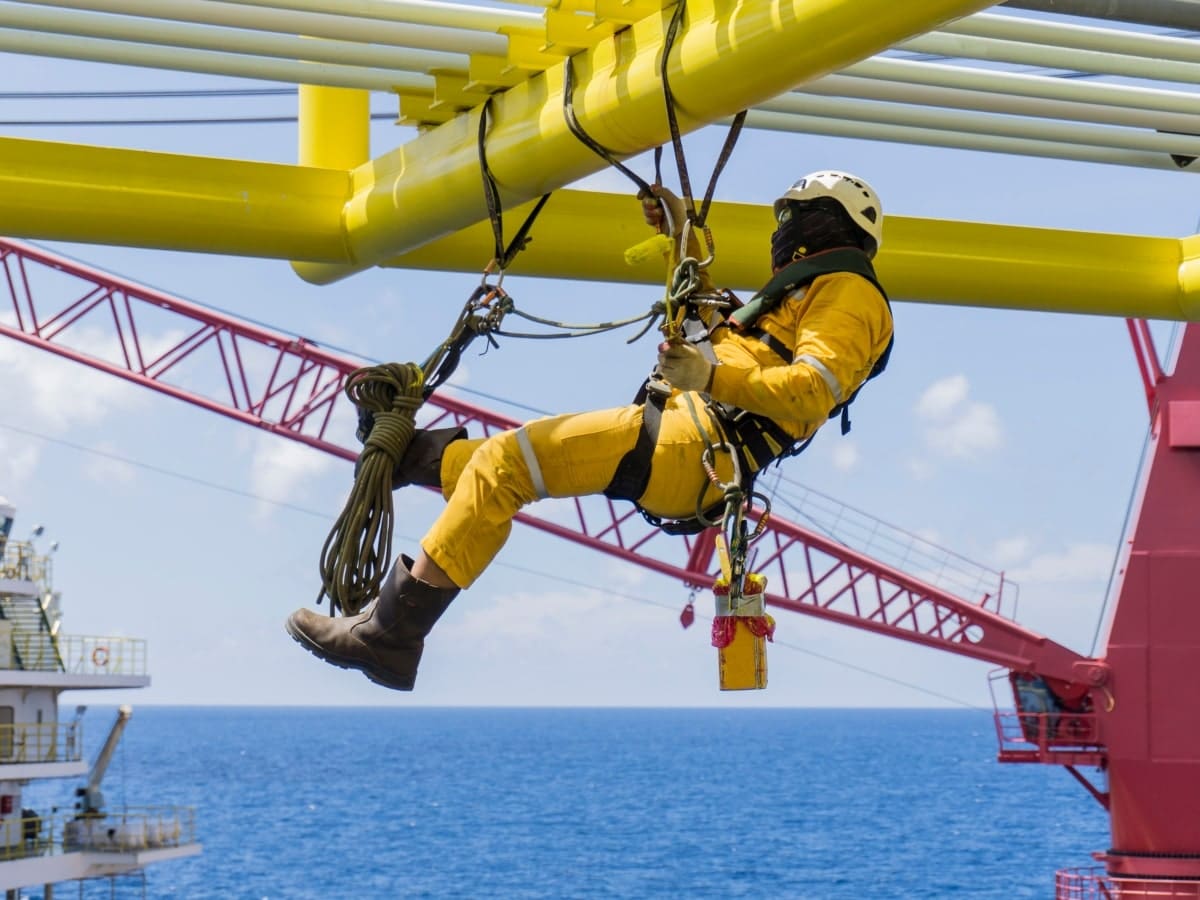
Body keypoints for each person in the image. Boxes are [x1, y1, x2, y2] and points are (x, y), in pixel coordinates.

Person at [286, 170, 895, 691]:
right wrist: (679, 230)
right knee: (491, 462)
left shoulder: (849, 291)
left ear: (825, 222)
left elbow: (814, 391)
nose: (781, 228)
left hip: (701, 449)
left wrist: (708, 375)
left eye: (792, 215)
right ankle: (408, 460)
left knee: (510, 462)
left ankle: (391, 636)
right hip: (687, 440)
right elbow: (710, 315)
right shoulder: (792, 298)